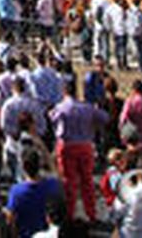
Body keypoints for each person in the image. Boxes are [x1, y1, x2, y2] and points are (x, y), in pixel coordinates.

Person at [49, 76, 105, 221]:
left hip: (67, 146)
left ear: (64, 92)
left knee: (69, 182)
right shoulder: (86, 107)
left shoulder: (61, 107)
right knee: (87, 181)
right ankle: (91, 213)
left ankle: (70, 214)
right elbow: (104, 118)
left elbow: (52, 119)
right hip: (85, 145)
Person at [4, 147, 64, 238]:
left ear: (23, 167)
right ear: (39, 165)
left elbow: (10, 219)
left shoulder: (16, 191)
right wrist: (43, 148)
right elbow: (57, 173)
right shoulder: (52, 185)